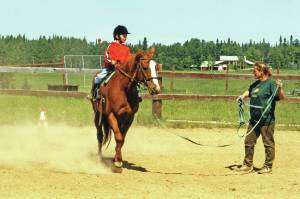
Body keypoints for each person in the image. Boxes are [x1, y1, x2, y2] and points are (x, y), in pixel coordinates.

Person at [236, 61, 285, 174]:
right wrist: (242, 96)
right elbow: (249, 91)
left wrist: (280, 88)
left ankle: (268, 166)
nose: (253, 73)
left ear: (262, 71)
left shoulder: (271, 84)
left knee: (268, 143)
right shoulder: (255, 84)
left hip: (266, 120)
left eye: (255, 71)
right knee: (249, 141)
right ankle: (248, 165)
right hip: (254, 120)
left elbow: (281, 97)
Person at [90, 25, 131, 100]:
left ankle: (136, 94)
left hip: (124, 71)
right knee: (98, 78)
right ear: (117, 36)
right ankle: (95, 92)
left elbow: (129, 59)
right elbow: (107, 56)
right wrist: (111, 62)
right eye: (123, 35)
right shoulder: (111, 46)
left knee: (133, 80)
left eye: (126, 35)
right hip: (111, 69)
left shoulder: (126, 48)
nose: (125, 37)